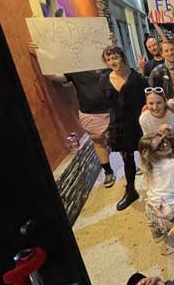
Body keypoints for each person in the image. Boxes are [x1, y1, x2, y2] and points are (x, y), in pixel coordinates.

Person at [28, 40, 116, 188]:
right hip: (91, 114)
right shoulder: (76, 69)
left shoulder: (108, 66)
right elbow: (56, 77)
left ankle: (131, 166)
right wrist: (40, 56)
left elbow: (121, 66)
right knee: (99, 143)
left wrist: (112, 43)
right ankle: (108, 172)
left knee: (121, 140)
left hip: (114, 111)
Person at [99, 45, 148, 210]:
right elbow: (105, 105)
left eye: (115, 57)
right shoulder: (104, 79)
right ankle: (131, 190)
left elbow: (147, 101)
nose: (112, 61)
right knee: (127, 161)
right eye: (108, 59)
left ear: (123, 57)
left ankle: (158, 189)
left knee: (148, 158)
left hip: (138, 125)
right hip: (119, 127)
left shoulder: (137, 79)